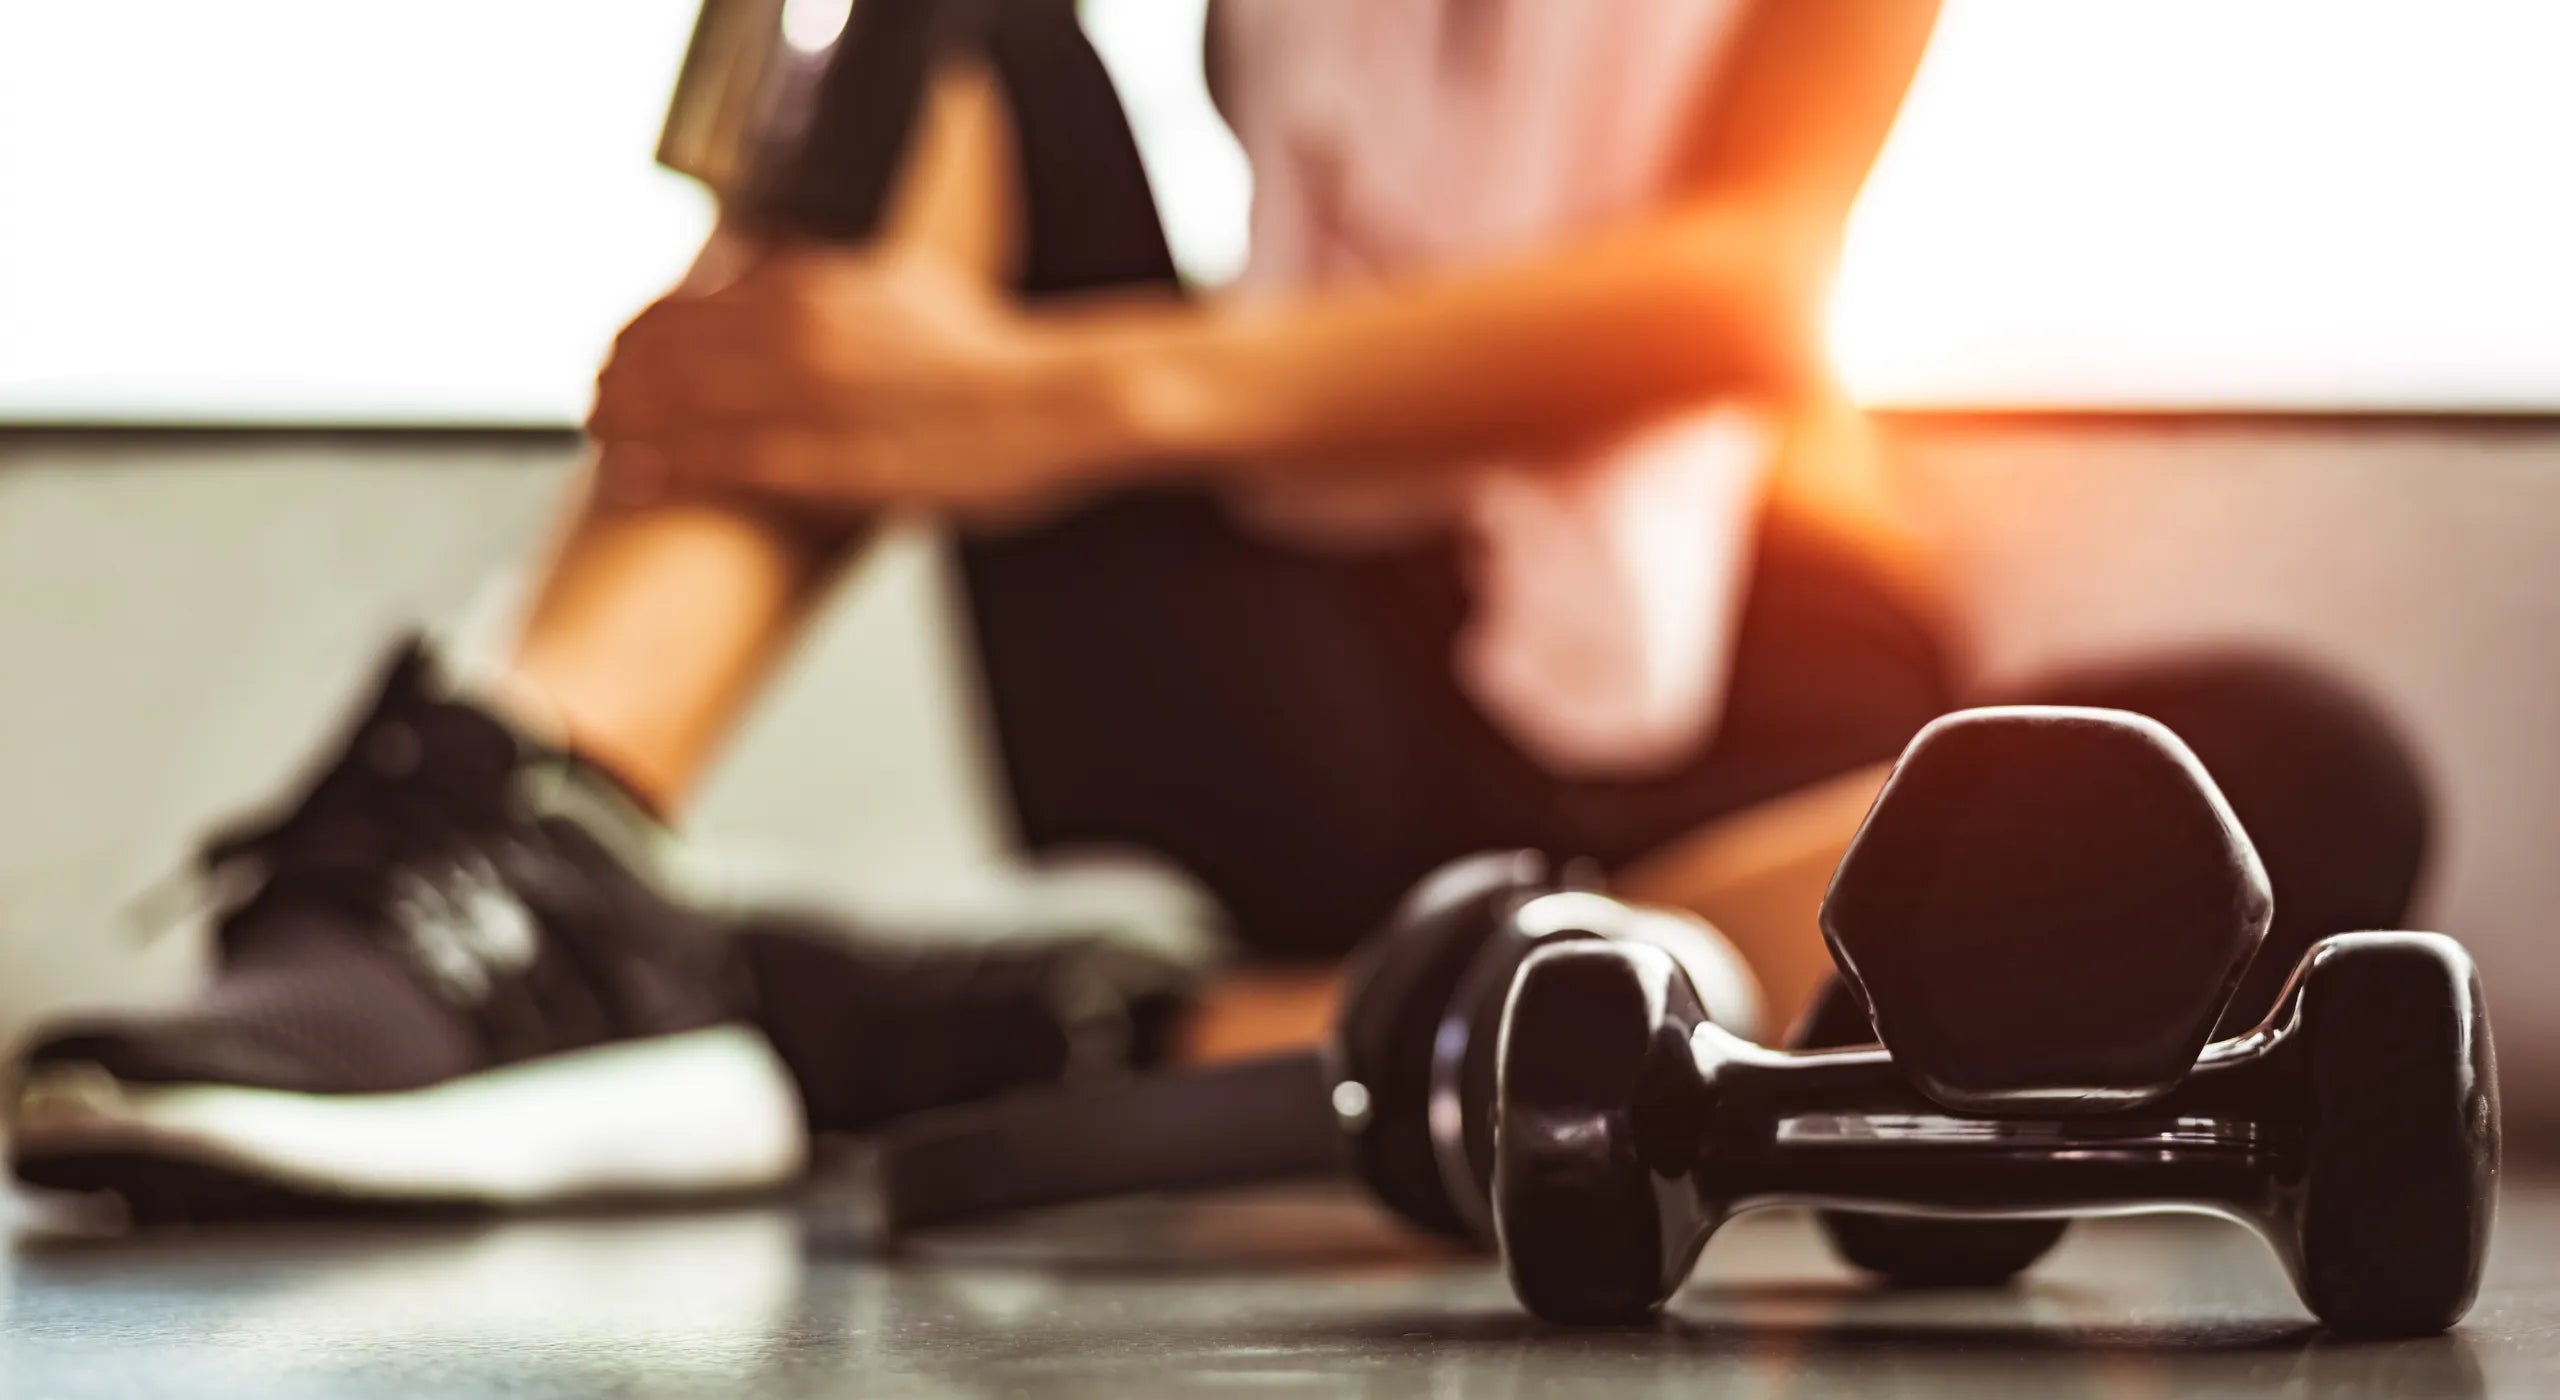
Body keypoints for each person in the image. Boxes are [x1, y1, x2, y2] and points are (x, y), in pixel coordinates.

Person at [6, 0, 2428, 1213]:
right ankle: (490, 862)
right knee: (926, 11)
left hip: (1745, 720)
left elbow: (1733, 287)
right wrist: (933, 350)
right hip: (1300, 683)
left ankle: (1070, 1032)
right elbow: (817, 90)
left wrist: (1057, 403)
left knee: (2290, 778)